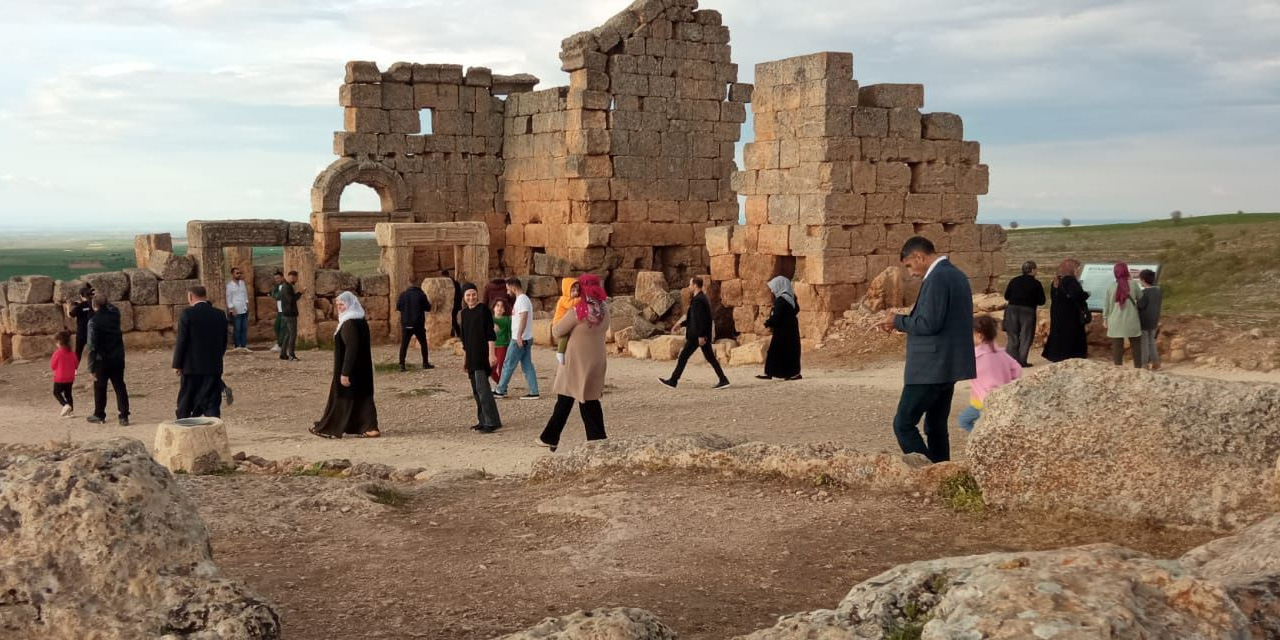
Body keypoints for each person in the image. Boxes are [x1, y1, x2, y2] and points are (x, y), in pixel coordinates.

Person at [877, 236, 976, 463]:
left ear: (919, 256)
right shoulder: (956, 275)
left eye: (909, 265)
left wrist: (897, 321)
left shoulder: (938, 278)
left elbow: (929, 324)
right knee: (935, 426)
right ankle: (943, 472)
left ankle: (926, 472)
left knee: (903, 424)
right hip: (948, 365)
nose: (911, 273)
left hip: (929, 367)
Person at [535, 274, 610, 452]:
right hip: (596, 360)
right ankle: (596, 440)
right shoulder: (604, 309)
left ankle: (552, 438)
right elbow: (605, 328)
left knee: (568, 398)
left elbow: (557, 330)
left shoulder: (579, 310)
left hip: (576, 362)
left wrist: (559, 312)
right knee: (586, 400)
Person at [311, 292, 379, 439]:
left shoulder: (349, 323)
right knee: (363, 397)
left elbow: (351, 349)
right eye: (338, 305)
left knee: (342, 397)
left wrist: (345, 372)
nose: (339, 308)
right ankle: (370, 427)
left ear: (350, 304)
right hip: (363, 367)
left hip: (351, 368)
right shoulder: (360, 320)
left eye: (342, 305)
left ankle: (330, 428)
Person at [660, 277, 730, 389]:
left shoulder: (699, 300)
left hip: (697, 336)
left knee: (683, 356)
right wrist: (681, 324)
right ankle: (723, 379)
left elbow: (701, 320)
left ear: (695, 285)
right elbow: (694, 318)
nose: (689, 286)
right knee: (710, 358)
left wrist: (701, 336)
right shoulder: (700, 298)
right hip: (700, 335)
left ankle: (673, 381)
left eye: (690, 284)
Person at [173, 286, 229, 419]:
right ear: (205, 296)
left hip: (191, 367)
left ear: (190, 296)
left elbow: (182, 341)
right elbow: (224, 341)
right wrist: (217, 358)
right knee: (212, 401)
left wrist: (177, 364)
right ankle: (214, 425)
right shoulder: (220, 314)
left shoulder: (187, 314)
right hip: (213, 366)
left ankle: (184, 425)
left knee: (186, 399)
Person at [959, 316, 1022, 432]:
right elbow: (1017, 369)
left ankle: (981, 437)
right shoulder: (1001, 353)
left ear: (979, 336)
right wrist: (1008, 381)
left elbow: (961, 369)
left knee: (964, 421)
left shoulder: (975, 357)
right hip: (1002, 398)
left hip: (983, 401)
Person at [459, 284, 502, 433]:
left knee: (483, 389)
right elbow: (465, 340)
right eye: (468, 295)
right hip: (471, 356)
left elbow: (490, 334)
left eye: (473, 294)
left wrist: (491, 354)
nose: (471, 297)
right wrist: (465, 360)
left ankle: (491, 422)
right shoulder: (464, 313)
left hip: (482, 355)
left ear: (477, 294)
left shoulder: (483, 310)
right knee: (476, 391)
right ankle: (483, 420)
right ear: (464, 297)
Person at [85, 294, 129, 426]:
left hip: (101, 359)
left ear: (94, 305)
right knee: (119, 386)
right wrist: (101, 300)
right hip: (117, 356)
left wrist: (91, 368)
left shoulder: (93, 322)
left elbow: (91, 346)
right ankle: (124, 416)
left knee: (100, 387)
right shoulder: (115, 315)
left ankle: (99, 414)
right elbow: (112, 307)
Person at [493, 277, 540, 400]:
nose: (507, 292)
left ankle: (500, 390)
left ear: (513, 287)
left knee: (508, 364)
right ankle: (534, 391)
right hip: (525, 338)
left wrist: (519, 335)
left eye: (508, 289)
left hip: (519, 339)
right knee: (527, 365)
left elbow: (524, 317)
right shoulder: (522, 299)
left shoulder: (522, 300)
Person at [1041, 259, 1091, 362]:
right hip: (1070, 314)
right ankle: (1072, 355)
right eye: (1077, 268)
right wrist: (1086, 294)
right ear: (1072, 269)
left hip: (1057, 313)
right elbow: (1077, 295)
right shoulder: (1070, 281)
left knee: (1058, 334)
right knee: (1071, 334)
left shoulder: (1056, 281)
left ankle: (1056, 355)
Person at [757, 276, 802, 381]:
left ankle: (770, 373)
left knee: (775, 350)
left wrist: (768, 323)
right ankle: (792, 374)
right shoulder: (791, 297)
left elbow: (777, 316)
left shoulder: (781, 300)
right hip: (791, 329)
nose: (772, 291)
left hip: (782, 330)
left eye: (774, 288)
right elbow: (796, 310)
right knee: (790, 351)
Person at [1002, 260, 1045, 367]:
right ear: (1033, 270)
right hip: (1028, 310)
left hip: (1012, 309)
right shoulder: (1036, 283)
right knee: (1026, 336)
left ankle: (1010, 362)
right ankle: (1021, 361)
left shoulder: (1014, 281)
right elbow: (1042, 301)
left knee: (1012, 336)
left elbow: (1006, 296)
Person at [1104, 262, 1144, 368]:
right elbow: (1141, 297)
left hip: (1115, 320)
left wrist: (1105, 318)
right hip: (1132, 319)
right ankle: (1138, 368)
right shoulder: (1133, 284)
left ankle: (1118, 368)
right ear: (1126, 271)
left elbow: (1106, 305)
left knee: (1117, 347)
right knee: (1136, 346)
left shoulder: (1110, 287)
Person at [395, 280, 434, 371]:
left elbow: (398, 307)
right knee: (423, 343)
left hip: (406, 324)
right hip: (418, 324)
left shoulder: (403, 295)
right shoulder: (421, 295)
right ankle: (425, 363)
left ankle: (402, 364)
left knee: (404, 345)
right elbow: (428, 308)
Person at [1136, 269, 1163, 371]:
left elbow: (1140, 306)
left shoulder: (1144, 293)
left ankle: (1144, 364)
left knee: (1144, 343)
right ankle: (1156, 363)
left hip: (1144, 321)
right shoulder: (1158, 290)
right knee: (1151, 342)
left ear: (1143, 280)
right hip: (1154, 320)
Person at [50, 331, 78, 417]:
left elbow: (53, 366)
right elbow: (76, 364)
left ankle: (65, 405)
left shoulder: (57, 353)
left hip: (60, 378)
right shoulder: (72, 353)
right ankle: (71, 412)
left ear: (59, 342)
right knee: (68, 394)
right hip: (70, 378)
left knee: (56, 392)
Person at [552, 277, 579, 365]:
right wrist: (581, 299)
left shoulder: (572, 299)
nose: (576, 293)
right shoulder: (564, 299)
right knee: (564, 334)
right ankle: (560, 352)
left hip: (566, 321)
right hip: (559, 322)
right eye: (573, 291)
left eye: (577, 290)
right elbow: (570, 305)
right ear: (567, 291)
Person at [278, 270, 303, 361]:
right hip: (290, 314)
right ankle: (291, 355)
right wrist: (300, 293)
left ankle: (283, 354)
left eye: (294, 277)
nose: (294, 279)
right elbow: (291, 300)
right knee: (293, 334)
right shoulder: (286, 287)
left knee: (288, 334)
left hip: (287, 313)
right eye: (293, 277)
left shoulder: (286, 286)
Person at [225, 267, 250, 352]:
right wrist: (232, 309)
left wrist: (247, 304)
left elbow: (245, 295)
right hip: (236, 309)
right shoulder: (229, 286)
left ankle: (243, 345)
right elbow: (229, 298)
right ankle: (237, 346)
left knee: (244, 328)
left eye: (240, 273)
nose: (239, 275)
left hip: (244, 308)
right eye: (237, 273)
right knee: (237, 328)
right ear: (232, 274)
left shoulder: (242, 283)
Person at [68, 286, 95, 363]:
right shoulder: (93, 304)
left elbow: (70, 315)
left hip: (81, 333)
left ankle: (74, 368)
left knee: (78, 352)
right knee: (94, 351)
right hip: (92, 332)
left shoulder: (79, 307)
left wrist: (68, 307)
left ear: (81, 295)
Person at [491, 299, 511, 384]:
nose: (499, 308)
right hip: (491, 347)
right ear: (493, 308)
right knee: (491, 369)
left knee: (501, 368)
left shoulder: (507, 320)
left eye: (502, 306)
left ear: (504, 310)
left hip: (503, 346)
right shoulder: (489, 319)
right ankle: (501, 385)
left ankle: (502, 387)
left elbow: (510, 333)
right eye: (497, 305)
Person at [443, 268, 463, 338]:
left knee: (453, 319)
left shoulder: (448, 283)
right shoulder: (455, 282)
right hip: (455, 304)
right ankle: (454, 333)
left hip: (452, 305)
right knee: (453, 319)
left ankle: (457, 333)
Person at [269, 271, 285, 353]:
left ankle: (280, 344)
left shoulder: (286, 286)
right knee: (276, 327)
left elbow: (278, 296)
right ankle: (280, 344)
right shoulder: (277, 286)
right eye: (275, 279)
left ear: (282, 277)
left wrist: (274, 295)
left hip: (285, 310)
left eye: (278, 278)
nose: (277, 280)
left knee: (283, 328)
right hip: (280, 310)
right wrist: (274, 294)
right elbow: (275, 294)